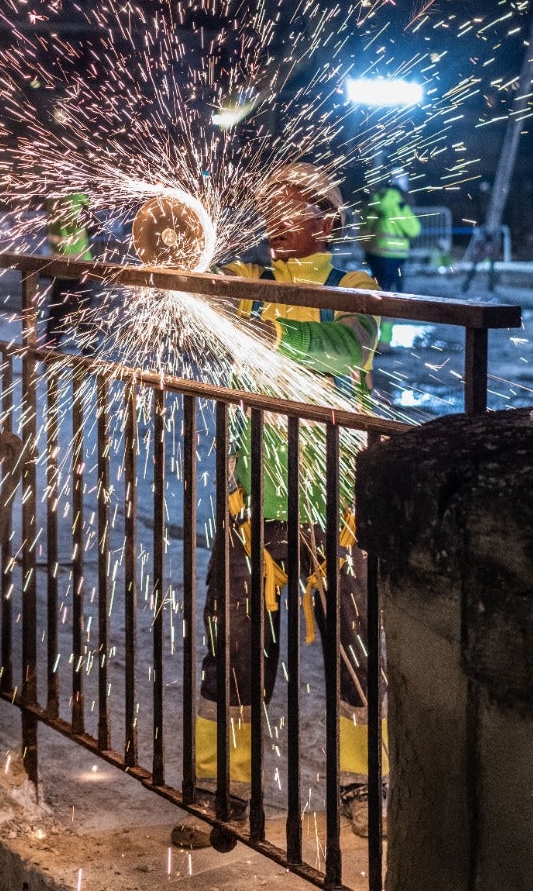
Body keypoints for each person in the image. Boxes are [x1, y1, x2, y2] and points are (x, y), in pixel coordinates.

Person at [179, 163, 383, 848]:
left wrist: (275, 338)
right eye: (268, 209)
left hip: (340, 508)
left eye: (290, 210)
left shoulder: (353, 289)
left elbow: (350, 349)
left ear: (328, 221)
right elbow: (194, 303)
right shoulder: (246, 280)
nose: (274, 223)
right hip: (253, 507)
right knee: (233, 649)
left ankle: (363, 785)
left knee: (356, 653)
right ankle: (222, 791)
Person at [43, 190, 95, 346]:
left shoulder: (52, 199)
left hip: (58, 269)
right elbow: (93, 227)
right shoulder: (78, 200)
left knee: (55, 324)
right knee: (84, 324)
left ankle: (49, 361)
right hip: (79, 269)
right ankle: (89, 363)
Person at [359, 172, 421, 294]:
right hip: (395, 257)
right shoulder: (399, 206)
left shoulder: (373, 204)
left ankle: (374, 312)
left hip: (373, 255)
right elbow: (414, 230)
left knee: (376, 288)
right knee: (392, 292)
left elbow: (364, 228)